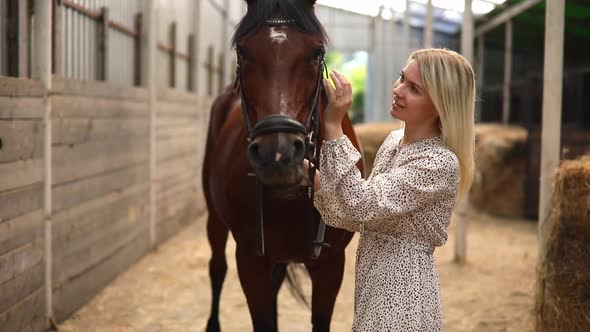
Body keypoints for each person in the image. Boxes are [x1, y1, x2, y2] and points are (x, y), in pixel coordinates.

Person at [311, 48, 475, 331]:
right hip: (372, 286)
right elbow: (356, 216)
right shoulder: (393, 141)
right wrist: (311, 177)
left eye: (413, 89)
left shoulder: (438, 162)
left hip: (403, 294)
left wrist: (333, 125)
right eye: (401, 79)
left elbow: (360, 203)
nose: (398, 90)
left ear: (440, 104)